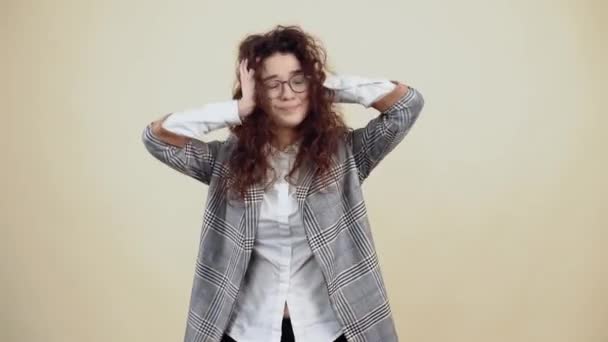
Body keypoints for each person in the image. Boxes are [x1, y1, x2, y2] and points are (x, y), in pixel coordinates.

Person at [142, 25, 425, 342]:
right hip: (247, 331)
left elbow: (406, 104)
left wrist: (322, 87)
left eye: (297, 80)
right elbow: (157, 138)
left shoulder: (346, 155)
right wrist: (238, 109)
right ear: (256, 92)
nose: (287, 93)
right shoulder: (226, 162)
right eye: (271, 84)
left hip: (330, 331)